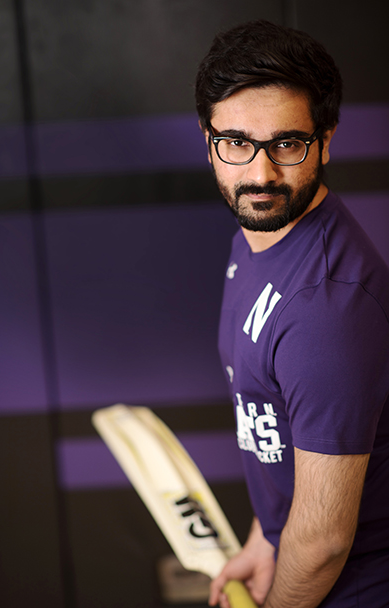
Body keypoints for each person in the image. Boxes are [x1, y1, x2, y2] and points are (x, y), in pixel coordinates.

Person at [194, 20, 389, 608]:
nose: (259, 174)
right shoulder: (259, 232)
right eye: (236, 143)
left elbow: (326, 539)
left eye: (286, 144)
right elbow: (277, 428)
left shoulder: (327, 306)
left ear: (324, 140)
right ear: (208, 140)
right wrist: (265, 538)